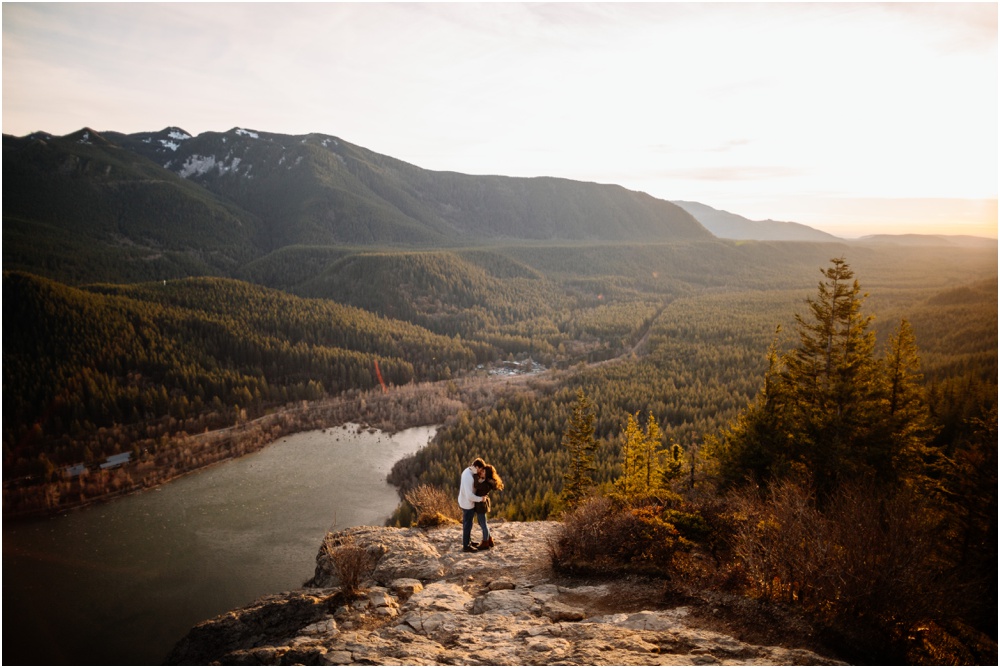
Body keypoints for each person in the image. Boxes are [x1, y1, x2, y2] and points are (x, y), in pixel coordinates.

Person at [457, 458, 486, 552]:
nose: (481, 471)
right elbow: (469, 496)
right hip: (467, 504)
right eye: (480, 469)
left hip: (466, 502)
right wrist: (481, 499)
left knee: (469, 523)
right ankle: (466, 546)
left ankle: (468, 541)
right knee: (467, 525)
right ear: (476, 467)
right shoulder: (468, 477)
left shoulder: (468, 471)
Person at [473, 464, 504, 550]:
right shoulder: (487, 481)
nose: (481, 472)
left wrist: (475, 474)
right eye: (481, 471)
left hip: (481, 505)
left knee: (483, 524)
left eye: (483, 472)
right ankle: (489, 540)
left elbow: (476, 485)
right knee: (483, 523)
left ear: (487, 474)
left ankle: (485, 542)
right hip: (482, 505)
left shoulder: (486, 484)